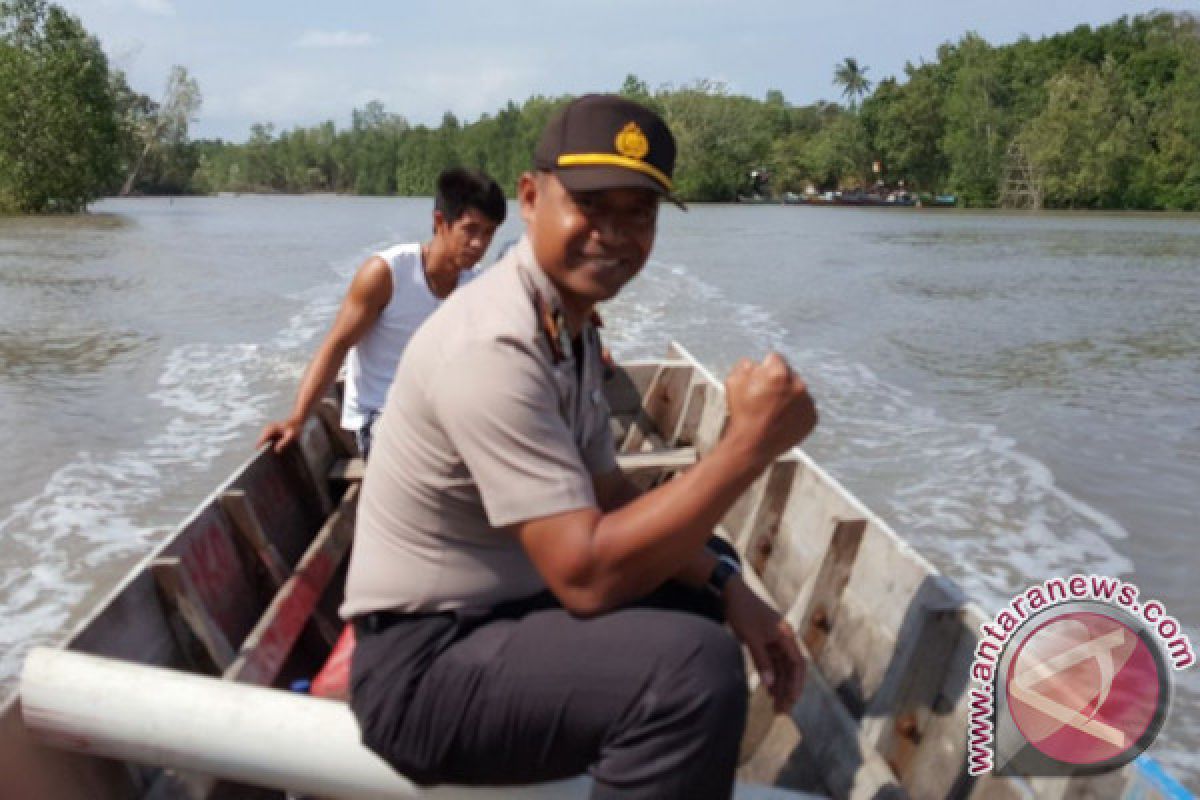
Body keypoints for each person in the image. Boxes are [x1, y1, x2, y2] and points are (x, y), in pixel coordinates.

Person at [341, 95, 818, 800]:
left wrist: (730, 587)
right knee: (693, 671)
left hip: (501, 614)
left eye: (639, 214)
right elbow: (585, 576)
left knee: (706, 565)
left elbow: (610, 495)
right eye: (591, 206)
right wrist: (744, 449)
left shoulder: (568, 328)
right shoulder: (494, 343)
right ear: (531, 199)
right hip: (422, 668)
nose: (614, 234)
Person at [256, 167, 506, 457]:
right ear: (440, 222)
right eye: (470, 229)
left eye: (488, 233)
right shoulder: (386, 275)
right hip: (381, 417)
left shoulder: (477, 286)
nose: (479, 244)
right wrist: (297, 420)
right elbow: (336, 346)